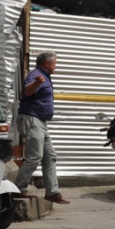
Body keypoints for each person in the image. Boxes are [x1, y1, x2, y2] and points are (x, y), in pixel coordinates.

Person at [14, 51, 69, 204]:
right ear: (46, 63)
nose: (56, 66)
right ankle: (18, 188)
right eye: (54, 63)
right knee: (35, 156)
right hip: (33, 119)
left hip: (40, 122)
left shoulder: (44, 76)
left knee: (50, 156)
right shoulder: (36, 75)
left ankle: (52, 192)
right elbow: (26, 92)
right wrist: (37, 83)